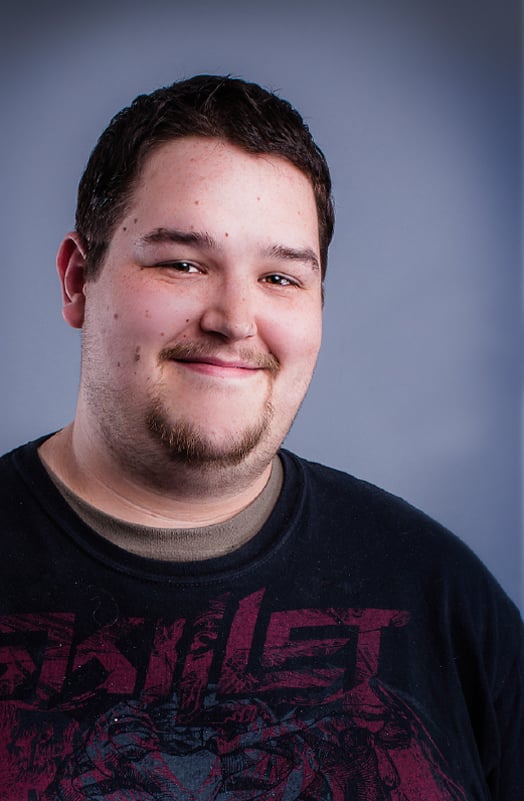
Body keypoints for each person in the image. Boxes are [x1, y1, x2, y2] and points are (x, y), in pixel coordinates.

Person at [0, 74, 521, 801]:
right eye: (182, 264)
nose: (235, 321)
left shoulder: (443, 597)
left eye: (280, 278)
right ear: (78, 279)